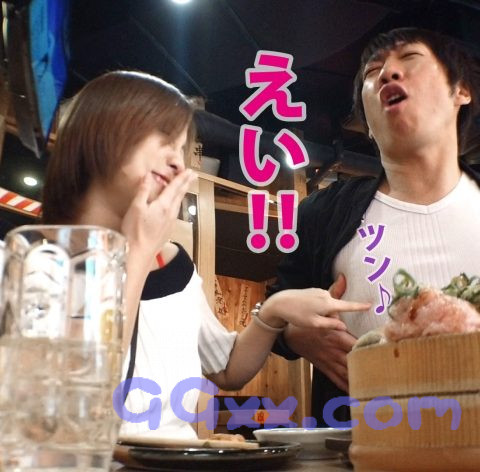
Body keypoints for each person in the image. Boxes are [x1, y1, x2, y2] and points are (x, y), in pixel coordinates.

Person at [41, 70, 369, 439]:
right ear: (98, 131)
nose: (178, 162)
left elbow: (227, 369)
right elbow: (68, 404)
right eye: (163, 138)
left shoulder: (175, 267)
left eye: (181, 148)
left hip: (174, 462)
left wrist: (274, 311)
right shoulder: (32, 263)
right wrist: (138, 252)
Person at [260, 27, 480, 425]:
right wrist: (297, 335)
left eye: (410, 58)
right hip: (365, 441)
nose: (388, 73)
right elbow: (276, 316)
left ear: (461, 90)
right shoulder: (324, 213)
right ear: (367, 123)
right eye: (373, 71)